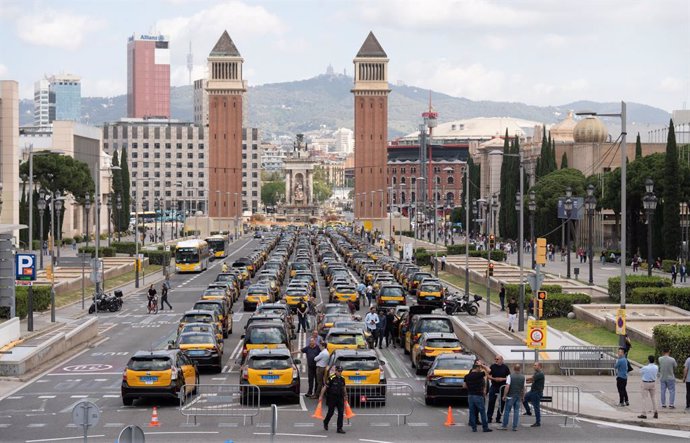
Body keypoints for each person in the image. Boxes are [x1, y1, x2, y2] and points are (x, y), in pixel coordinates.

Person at [463, 359, 492, 433]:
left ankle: (474, 428)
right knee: (482, 412)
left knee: (472, 412)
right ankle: (485, 428)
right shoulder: (479, 375)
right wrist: (482, 365)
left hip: (470, 396)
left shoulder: (466, 376)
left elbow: (464, 386)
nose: (480, 369)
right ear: (477, 368)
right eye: (479, 368)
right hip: (478, 395)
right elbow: (489, 370)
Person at [320, 365, 347, 434]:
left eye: (341, 371)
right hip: (332, 398)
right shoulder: (331, 378)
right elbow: (325, 387)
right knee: (330, 412)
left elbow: (344, 388)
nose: (340, 372)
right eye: (338, 371)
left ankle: (339, 428)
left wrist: (345, 395)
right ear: (336, 371)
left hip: (340, 398)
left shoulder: (342, 379)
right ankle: (326, 421)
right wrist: (321, 396)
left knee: (341, 413)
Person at [500, 364, 525, 431]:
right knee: (516, 411)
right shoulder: (523, 377)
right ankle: (514, 427)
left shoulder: (510, 376)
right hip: (518, 396)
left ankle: (504, 425)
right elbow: (523, 388)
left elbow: (507, 387)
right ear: (520, 369)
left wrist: (504, 395)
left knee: (507, 411)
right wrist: (522, 396)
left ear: (514, 369)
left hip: (510, 396)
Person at [487, 355, 510, 423]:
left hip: (502, 386)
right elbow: (487, 375)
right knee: (491, 402)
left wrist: (502, 379)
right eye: (495, 359)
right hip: (494, 385)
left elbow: (509, 377)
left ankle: (498, 418)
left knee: (502, 402)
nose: (496, 360)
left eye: (497, 359)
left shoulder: (505, 367)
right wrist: (494, 379)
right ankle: (489, 417)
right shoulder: (492, 366)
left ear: (501, 360)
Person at [523, 362, 546, 426]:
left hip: (537, 393)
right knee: (523, 399)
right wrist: (526, 382)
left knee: (536, 408)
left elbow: (532, 378)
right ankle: (528, 411)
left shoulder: (540, 374)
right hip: (532, 391)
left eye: (535, 365)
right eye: (534, 365)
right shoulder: (536, 373)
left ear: (539, 366)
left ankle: (538, 422)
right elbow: (532, 380)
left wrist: (523, 379)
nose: (534, 366)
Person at [638, 355, 659, 419]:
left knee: (644, 398)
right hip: (653, 382)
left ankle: (644, 413)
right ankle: (655, 411)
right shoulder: (656, 367)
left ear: (648, 360)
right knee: (653, 397)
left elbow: (640, 372)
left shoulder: (645, 367)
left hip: (645, 383)